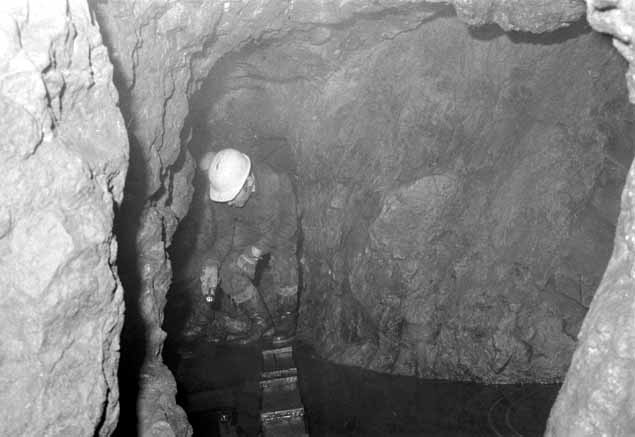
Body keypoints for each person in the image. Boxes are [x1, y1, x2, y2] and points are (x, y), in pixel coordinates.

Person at [198, 148, 299, 345]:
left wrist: (256, 251)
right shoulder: (224, 195)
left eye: (233, 197)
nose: (229, 204)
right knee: (228, 269)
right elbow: (224, 237)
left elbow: (289, 224)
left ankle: (288, 317)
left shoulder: (276, 180)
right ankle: (261, 322)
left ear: (249, 182)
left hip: (280, 229)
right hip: (251, 229)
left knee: (283, 256)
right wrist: (212, 262)